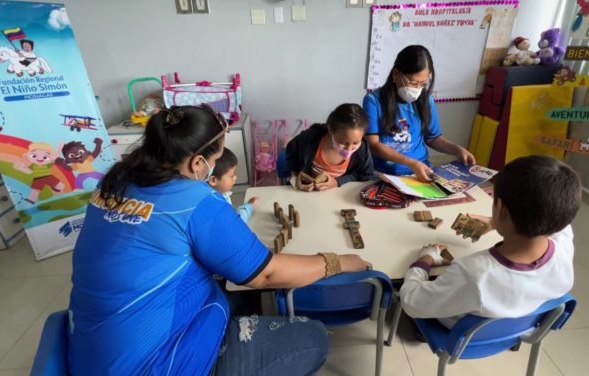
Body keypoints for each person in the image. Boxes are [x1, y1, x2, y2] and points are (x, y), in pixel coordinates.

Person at [68, 105, 372, 375]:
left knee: (236, 292)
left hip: (94, 351)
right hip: (158, 363)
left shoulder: (114, 182)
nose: (216, 167)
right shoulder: (196, 201)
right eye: (215, 158)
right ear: (197, 164)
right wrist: (338, 261)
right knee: (313, 337)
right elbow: (266, 274)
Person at [400, 155, 581, 327]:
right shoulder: (563, 242)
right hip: (523, 322)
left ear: (500, 208)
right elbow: (558, 223)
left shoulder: (473, 273)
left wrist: (425, 260)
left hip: (461, 326)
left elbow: (411, 302)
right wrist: (495, 222)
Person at [363, 45, 475, 182]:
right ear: (396, 74)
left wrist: (457, 149)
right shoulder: (373, 101)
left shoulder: (427, 101)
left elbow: (432, 138)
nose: (417, 89)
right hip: (384, 172)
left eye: (422, 83)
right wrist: (410, 162)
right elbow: (373, 144)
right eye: (413, 82)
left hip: (421, 170)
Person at [286, 103, 374, 191]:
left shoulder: (362, 150)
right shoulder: (308, 139)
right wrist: (295, 177)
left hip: (338, 195)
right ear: (330, 130)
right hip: (306, 192)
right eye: (342, 142)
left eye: (356, 143)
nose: (349, 149)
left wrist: (338, 182)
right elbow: (291, 154)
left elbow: (366, 175)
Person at [207, 147, 259, 222]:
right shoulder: (216, 206)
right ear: (213, 180)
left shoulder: (221, 194)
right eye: (231, 175)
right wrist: (249, 206)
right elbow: (235, 223)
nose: (235, 178)